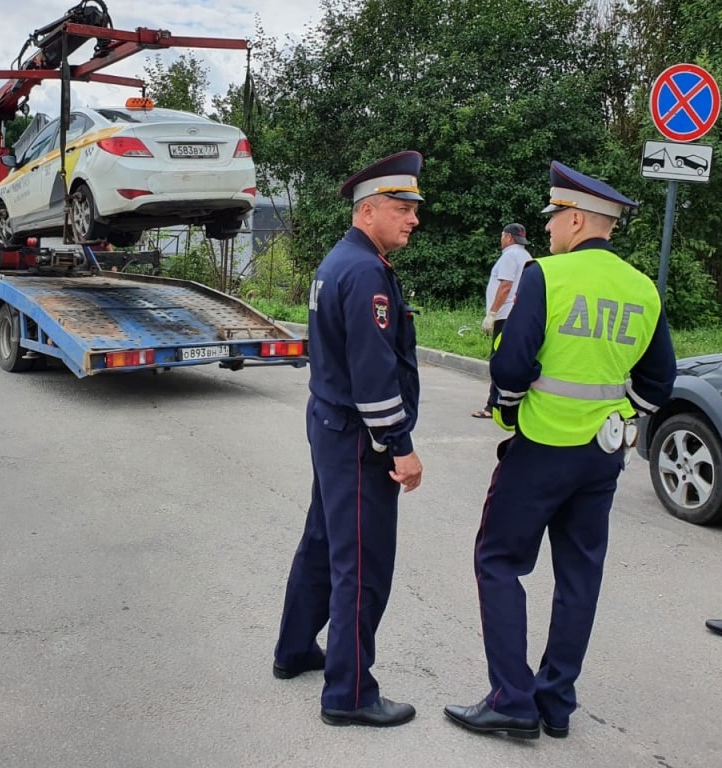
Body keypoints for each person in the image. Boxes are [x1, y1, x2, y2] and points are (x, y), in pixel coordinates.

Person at [444, 161, 677, 740]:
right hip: (601, 456)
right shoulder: (642, 288)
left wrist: (510, 406)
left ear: (577, 219)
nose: (547, 230)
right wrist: (624, 418)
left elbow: (512, 366)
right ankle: (556, 703)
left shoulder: (547, 276)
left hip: (541, 446)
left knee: (498, 561)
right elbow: (659, 379)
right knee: (579, 577)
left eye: (554, 219)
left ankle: (512, 700)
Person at [274, 151, 425, 728]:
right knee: (361, 563)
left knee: (323, 541)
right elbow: (374, 374)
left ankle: (293, 650)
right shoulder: (364, 272)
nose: (412, 218)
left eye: (413, 207)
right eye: (401, 207)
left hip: (332, 427)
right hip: (361, 437)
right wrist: (401, 445)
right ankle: (351, 692)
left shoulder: (344, 260)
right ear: (368, 211)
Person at [472, 223, 532, 419]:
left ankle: (493, 406)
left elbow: (505, 286)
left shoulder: (509, 256)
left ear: (508, 237)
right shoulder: (526, 256)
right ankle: (515, 405)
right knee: (514, 360)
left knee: (499, 360)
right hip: (520, 314)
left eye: (502, 236)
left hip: (505, 314)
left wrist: (492, 314)